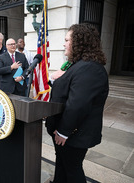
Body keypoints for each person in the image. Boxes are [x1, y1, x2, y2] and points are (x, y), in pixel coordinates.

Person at [46, 23, 109, 183]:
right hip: (66, 134)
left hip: (74, 136)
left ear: (80, 41)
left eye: (67, 39)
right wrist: (57, 81)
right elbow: (70, 90)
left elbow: (78, 105)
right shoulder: (78, 65)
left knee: (72, 171)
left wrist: (63, 132)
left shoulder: (90, 68)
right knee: (62, 166)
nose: (64, 43)